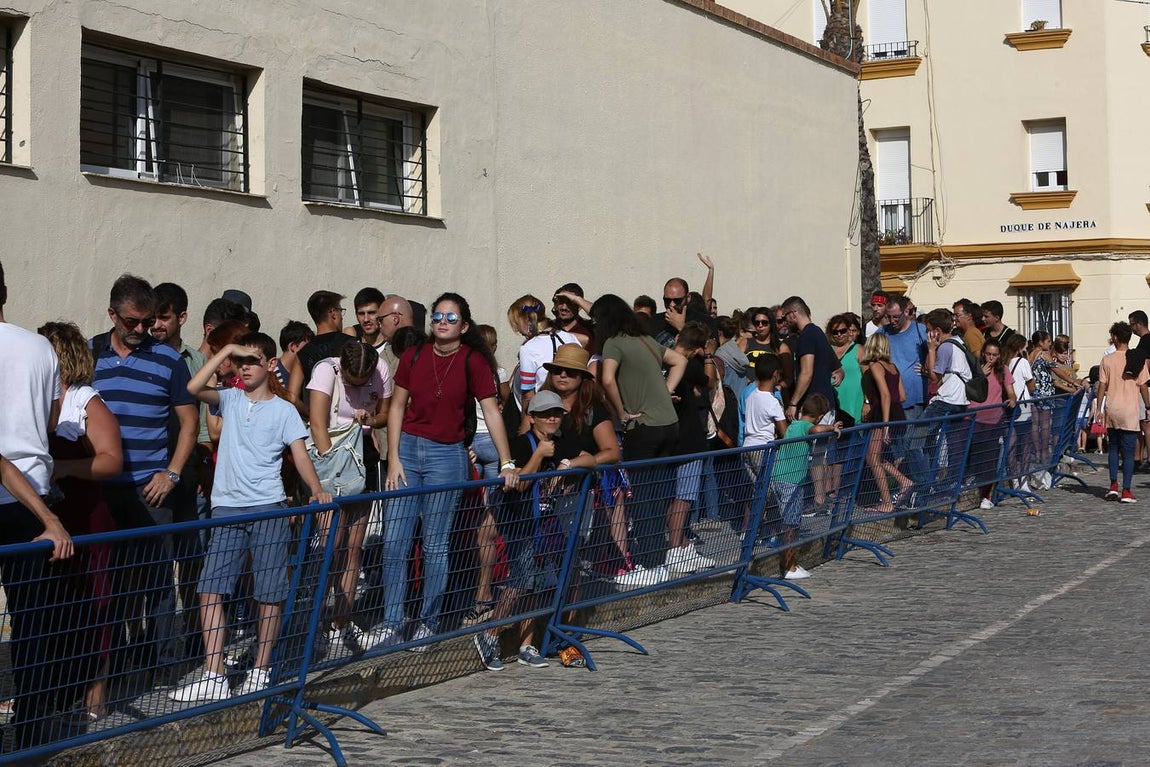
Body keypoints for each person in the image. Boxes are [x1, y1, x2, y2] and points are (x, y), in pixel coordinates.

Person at [173, 332, 331, 701]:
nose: (244, 368)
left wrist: (317, 490)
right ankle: (214, 673)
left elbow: (301, 455)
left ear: (271, 364)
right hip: (226, 508)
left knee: (268, 593)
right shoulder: (228, 398)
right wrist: (226, 349)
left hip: (268, 508)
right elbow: (193, 386)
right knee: (210, 589)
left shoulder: (284, 410)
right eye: (240, 362)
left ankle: (261, 668)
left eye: (252, 361)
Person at [383, 293, 518, 646]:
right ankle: (393, 622)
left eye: (451, 318)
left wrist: (506, 461)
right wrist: (393, 458)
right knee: (394, 541)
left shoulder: (473, 361)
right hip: (408, 450)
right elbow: (397, 407)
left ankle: (429, 620)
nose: (442, 322)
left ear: (465, 326)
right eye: (438, 316)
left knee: (435, 544)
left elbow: (491, 412)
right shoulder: (413, 355)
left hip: (448, 454)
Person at [91, 274, 198, 680]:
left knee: (156, 580)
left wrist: (171, 474)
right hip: (102, 488)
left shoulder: (168, 360)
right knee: (108, 583)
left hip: (151, 489)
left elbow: (189, 424)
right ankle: (110, 666)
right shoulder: (90, 354)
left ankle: (166, 665)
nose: (141, 330)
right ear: (112, 314)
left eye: (147, 321)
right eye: (132, 322)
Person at [0, 261, 76, 750]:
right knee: (32, 622)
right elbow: (51, 416)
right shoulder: (39, 347)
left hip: (19, 492)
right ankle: (30, 732)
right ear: (4, 290)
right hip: (33, 491)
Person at [472, 390, 595, 671]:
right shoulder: (519, 444)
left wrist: (569, 463)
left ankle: (526, 643)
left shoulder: (562, 442)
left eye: (556, 414)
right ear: (532, 418)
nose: (552, 419)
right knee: (520, 582)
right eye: (545, 415)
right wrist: (539, 455)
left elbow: (592, 458)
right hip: (520, 520)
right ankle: (490, 633)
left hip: (545, 522)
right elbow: (519, 483)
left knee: (536, 585)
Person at [38, 321, 123, 722]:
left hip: (86, 518)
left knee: (96, 605)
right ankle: (46, 694)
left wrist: (63, 467)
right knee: (51, 608)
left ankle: (95, 697)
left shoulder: (86, 401)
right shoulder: (36, 397)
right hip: (49, 518)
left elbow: (110, 459)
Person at [592, 293, 687, 590]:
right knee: (659, 496)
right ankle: (659, 560)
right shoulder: (646, 340)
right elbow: (680, 360)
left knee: (643, 499)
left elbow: (607, 379)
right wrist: (664, 388)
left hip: (642, 426)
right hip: (669, 424)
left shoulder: (614, 343)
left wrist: (622, 414)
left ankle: (647, 565)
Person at [308, 342, 393, 652]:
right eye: (351, 381)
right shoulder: (325, 370)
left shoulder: (381, 369)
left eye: (363, 381)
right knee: (331, 544)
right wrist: (329, 468)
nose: (357, 386)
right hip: (332, 461)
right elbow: (317, 423)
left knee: (353, 548)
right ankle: (316, 621)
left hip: (363, 458)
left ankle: (341, 623)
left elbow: (386, 413)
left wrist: (370, 418)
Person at [539, 344, 625, 573]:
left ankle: (569, 605)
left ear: (582, 377)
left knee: (570, 558)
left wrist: (572, 464)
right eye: (557, 370)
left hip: (577, 494)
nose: (563, 375)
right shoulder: (539, 402)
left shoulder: (592, 408)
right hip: (541, 489)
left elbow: (612, 452)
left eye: (571, 371)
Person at [769, 393, 840, 580]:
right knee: (792, 523)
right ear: (819, 416)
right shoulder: (806, 426)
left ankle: (789, 561)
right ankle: (790, 566)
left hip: (779, 476)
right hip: (791, 480)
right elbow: (816, 430)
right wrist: (831, 427)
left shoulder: (794, 425)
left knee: (787, 522)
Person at [665, 322, 717, 575]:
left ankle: (682, 545)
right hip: (689, 439)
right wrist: (708, 355)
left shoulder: (663, 360)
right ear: (697, 348)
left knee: (673, 497)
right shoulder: (690, 364)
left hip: (670, 439)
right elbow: (708, 382)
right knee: (684, 497)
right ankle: (676, 548)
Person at [781, 296, 842, 506]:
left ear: (793, 314)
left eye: (785, 318)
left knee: (816, 455)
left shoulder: (807, 336)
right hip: (826, 401)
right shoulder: (818, 333)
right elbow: (838, 368)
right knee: (820, 453)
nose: (784, 323)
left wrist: (793, 402)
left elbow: (806, 373)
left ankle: (818, 500)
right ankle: (820, 498)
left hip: (816, 403)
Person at [1096, 322, 1150, 503]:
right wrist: (1148, 407)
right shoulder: (1136, 358)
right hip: (1130, 410)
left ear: (1116, 337)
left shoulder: (1107, 360)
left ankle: (1113, 486)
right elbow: (1143, 387)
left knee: (1113, 448)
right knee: (1128, 452)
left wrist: (1098, 408)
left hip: (1112, 408)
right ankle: (1126, 490)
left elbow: (1102, 385)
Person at [859, 333, 913, 513]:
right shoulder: (893, 367)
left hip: (882, 416)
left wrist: (885, 425)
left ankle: (887, 501)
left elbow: (885, 395)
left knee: (872, 458)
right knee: (878, 457)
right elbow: (902, 396)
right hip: (897, 413)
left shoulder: (875, 365)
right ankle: (904, 482)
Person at [507, 294, 581, 424]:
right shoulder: (570, 338)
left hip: (543, 417)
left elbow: (528, 395)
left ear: (524, 319)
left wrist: (524, 429)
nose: (519, 331)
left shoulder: (529, 348)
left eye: (517, 324)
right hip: (573, 412)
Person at [289, 290, 354, 417]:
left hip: (320, 423)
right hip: (350, 422)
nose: (342, 316)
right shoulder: (352, 345)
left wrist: (311, 413)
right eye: (341, 311)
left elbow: (292, 397)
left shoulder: (303, 353)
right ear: (333, 313)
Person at [971, 340, 1016, 509]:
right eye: (988, 354)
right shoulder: (975, 367)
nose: (990, 358)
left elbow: (1011, 392)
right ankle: (973, 490)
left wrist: (1011, 400)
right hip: (973, 418)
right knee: (974, 457)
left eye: (994, 355)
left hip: (993, 420)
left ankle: (986, 495)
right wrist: (980, 375)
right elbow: (968, 388)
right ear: (983, 353)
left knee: (989, 459)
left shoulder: (1003, 370)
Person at [882, 296, 929, 420]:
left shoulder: (920, 330)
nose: (892, 320)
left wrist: (927, 369)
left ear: (905, 312)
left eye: (896, 316)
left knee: (912, 438)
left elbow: (933, 354)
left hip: (915, 398)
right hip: (892, 397)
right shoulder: (883, 332)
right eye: (889, 316)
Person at [827, 313, 864, 427]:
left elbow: (868, 377)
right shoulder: (828, 351)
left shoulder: (859, 349)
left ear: (849, 331)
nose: (839, 334)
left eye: (842, 331)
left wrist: (867, 403)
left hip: (854, 404)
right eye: (835, 332)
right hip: (834, 407)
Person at [343, 287, 387, 352]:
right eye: (361, 313)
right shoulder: (352, 346)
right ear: (356, 315)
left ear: (382, 312)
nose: (366, 319)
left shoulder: (392, 346)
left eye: (371, 313)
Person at [274, 320, 314, 389]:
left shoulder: (306, 373)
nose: (311, 351)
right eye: (307, 347)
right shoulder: (272, 375)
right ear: (293, 347)